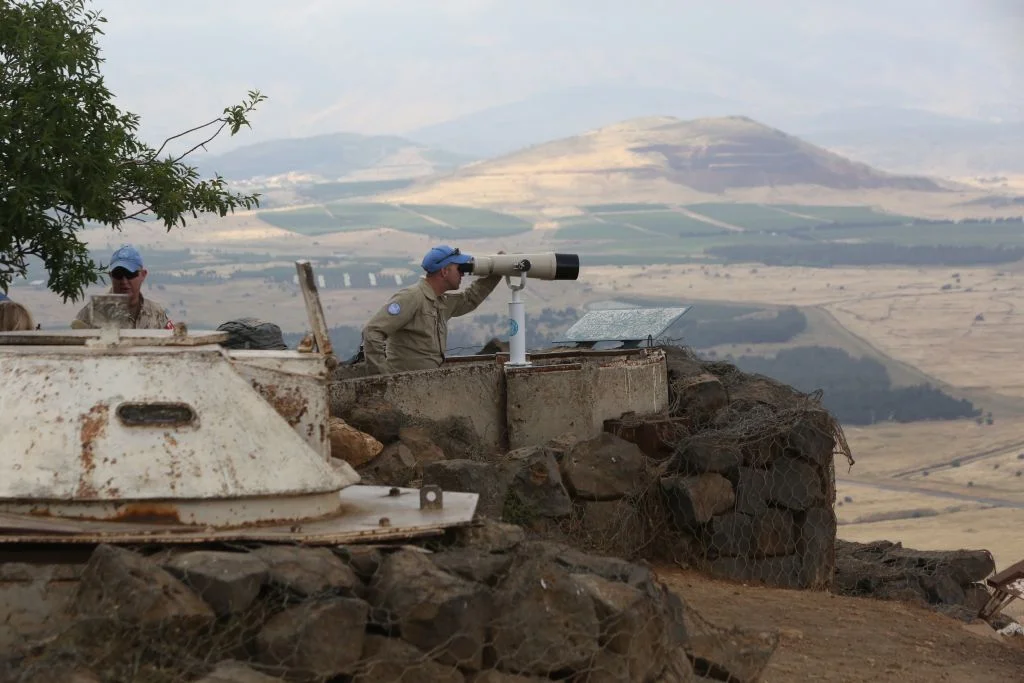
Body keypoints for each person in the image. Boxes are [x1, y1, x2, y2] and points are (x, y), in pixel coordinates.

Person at [362, 245, 504, 375]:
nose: (462, 274)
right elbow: (372, 332)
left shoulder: (440, 301)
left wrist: (498, 269)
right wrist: (383, 378)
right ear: (444, 271)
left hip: (427, 385)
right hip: (404, 388)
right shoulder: (412, 297)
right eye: (458, 269)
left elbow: (470, 299)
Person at [72, 244, 173, 330]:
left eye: (130, 274)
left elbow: (172, 345)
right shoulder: (93, 312)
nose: (124, 281)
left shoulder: (156, 312)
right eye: (118, 274)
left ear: (143, 275)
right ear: (111, 276)